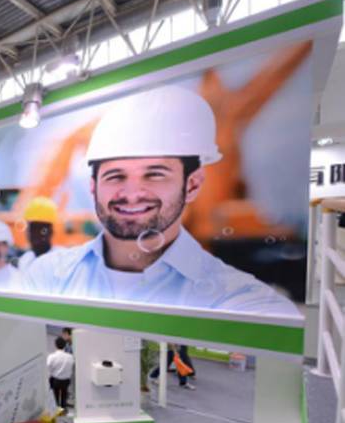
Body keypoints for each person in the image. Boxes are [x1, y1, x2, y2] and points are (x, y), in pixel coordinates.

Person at [23, 85, 298, 316]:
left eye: (155, 174)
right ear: (94, 187)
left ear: (192, 185)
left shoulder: (245, 301)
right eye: (115, 176)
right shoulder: (46, 275)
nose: (132, 193)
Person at [17, 197, 58, 273]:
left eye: (41, 229)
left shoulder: (60, 260)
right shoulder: (25, 261)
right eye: (33, 228)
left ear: (51, 232)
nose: (36, 234)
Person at [46, 337, 74, 409]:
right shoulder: (70, 357)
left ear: (55, 345)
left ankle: (56, 408)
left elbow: (48, 367)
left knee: (55, 397)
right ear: (65, 345)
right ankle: (63, 408)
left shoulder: (52, 357)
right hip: (66, 380)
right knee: (64, 395)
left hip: (55, 380)